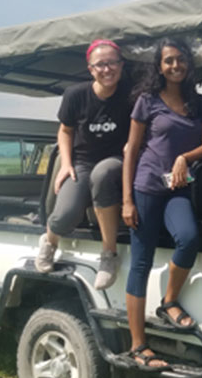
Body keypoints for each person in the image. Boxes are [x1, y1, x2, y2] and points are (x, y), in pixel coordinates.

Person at [121, 37, 202, 369]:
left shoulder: (201, 102)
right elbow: (130, 151)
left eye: (181, 60)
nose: (175, 66)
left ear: (188, 63)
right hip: (146, 187)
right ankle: (138, 346)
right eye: (168, 61)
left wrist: (183, 158)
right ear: (159, 66)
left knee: (188, 238)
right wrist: (127, 201)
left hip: (178, 188)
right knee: (140, 263)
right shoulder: (147, 101)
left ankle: (169, 301)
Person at [36, 39, 131, 291]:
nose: (107, 69)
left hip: (115, 162)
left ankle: (109, 255)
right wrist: (66, 164)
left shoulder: (131, 94)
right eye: (100, 64)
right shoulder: (76, 95)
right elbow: (65, 132)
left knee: (103, 173)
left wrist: (132, 145)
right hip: (81, 161)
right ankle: (49, 241)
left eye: (112, 63)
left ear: (121, 66)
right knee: (65, 216)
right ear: (90, 69)